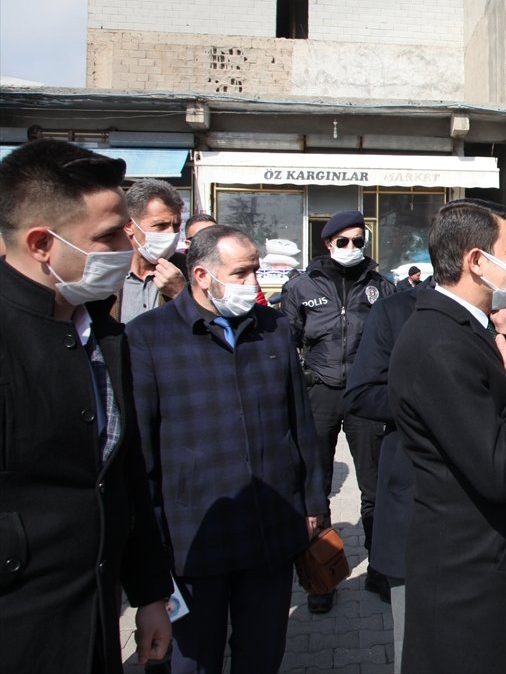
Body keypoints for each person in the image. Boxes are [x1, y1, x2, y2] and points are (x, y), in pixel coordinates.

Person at [0, 139, 173, 673]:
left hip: (96, 622)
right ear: (41, 244)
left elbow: (123, 474)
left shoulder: (103, 332)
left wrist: (148, 594)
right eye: (107, 236)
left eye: (128, 228)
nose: (131, 242)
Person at [126, 225, 328, 672]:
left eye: (255, 270)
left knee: (261, 654)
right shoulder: (148, 337)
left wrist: (313, 501)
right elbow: (142, 453)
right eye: (241, 273)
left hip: (270, 529)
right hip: (195, 540)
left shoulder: (272, 328)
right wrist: (151, 548)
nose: (253, 282)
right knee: (192, 660)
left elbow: (300, 422)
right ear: (201, 275)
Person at [344, 198, 506, 668]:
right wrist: (428, 403)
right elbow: (360, 394)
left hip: (477, 520)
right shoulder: (400, 314)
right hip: (419, 498)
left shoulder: (491, 320)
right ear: (473, 258)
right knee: (420, 650)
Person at [389, 199, 506, 673]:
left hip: (489, 565)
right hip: (468, 583)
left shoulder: (465, 327)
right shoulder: (440, 343)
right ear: (477, 261)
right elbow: (499, 471)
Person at [281, 210, 397, 611]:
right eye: (343, 241)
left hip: (366, 395)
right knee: (317, 484)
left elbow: (393, 339)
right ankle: (321, 577)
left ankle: (381, 567)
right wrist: (301, 381)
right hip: (321, 392)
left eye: (358, 241)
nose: (351, 249)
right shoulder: (300, 286)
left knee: (375, 485)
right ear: (328, 243)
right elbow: (287, 339)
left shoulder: (382, 285)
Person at [114, 178, 187, 322]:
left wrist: (181, 293)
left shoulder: (188, 269)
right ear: (129, 226)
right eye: (160, 225)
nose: (171, 233)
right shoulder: (108, 272)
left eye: (176, 226)